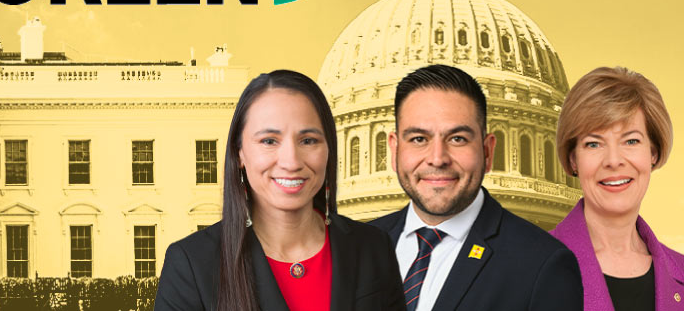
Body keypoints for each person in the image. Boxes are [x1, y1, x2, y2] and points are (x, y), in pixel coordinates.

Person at [155, 70, 405, 311]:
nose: (291, 162)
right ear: (239, 152)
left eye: (308, 140)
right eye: (269, 141)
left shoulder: (374, 249)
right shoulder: (191, 264)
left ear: (329, 149)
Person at [369, 64, 583, 311]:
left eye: (458, 139)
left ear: (488, 151)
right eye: (419, 139)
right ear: (394, 150)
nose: (437, 159)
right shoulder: (351, 251)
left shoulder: (541, 265)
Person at [550, 67, 684, 311]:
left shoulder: (682, 272)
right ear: (573, 160)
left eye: (631, 141)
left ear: (652, 153)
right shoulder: (527, 270)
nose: (614, 160)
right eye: (594, 144)